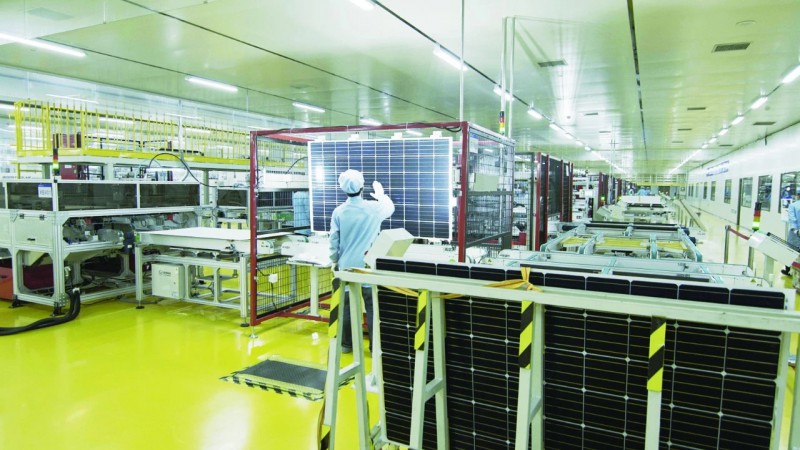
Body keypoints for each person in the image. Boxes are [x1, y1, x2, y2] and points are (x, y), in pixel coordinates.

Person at [329, 169, 395, 353]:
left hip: (346, 266)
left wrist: (334, 260)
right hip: (368, 266)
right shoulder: (373, 208)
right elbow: (390, 208)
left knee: (346, 306)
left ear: (343, 188)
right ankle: (375, 347)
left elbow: (334, 240)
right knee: (372, 306)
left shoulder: (339, 212)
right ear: (362, 187)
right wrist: (381, 195)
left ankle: (346, 345)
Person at [782, 192, 800, 276]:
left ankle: (787, 270)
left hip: (795, 233)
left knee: (790, 251)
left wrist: (796, 231)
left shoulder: (793, 205)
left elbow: (793, 221)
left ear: (798, 195)